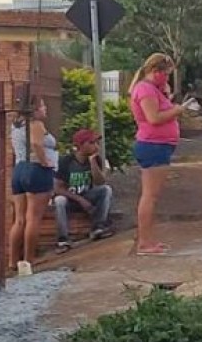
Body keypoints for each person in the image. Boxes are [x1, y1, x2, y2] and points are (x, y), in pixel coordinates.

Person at [128, 53, 184, 255]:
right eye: (166, 75)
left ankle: (149, 240)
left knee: (152, 196)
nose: (167, 79)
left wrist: (166, 95)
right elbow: (153, 117)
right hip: (153, 145)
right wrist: (178, 110)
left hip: (158, 145)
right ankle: (144, 243)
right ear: (156, 71)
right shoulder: (145, 89)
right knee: (149, 196)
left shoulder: (152, 90)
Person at [8, 95, 59, 266]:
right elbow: (37, 144)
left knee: (19, 218)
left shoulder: (16, 125)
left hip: (19, 169)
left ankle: (12, 261)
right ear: (34, 110)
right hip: (36, 170)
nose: (45, 109)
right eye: (42, 106)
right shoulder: (36, 124)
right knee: (33, 218)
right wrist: (45, 162)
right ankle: (29, 259)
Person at [53, 129, 115, 253]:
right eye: (92, 143)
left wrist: (93, 162)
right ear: (81, 146)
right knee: (59, 200)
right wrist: (80, 199)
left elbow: (100, 182)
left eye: (96, 143)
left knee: (106, 190)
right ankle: (63, 239)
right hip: (71, 199)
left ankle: (98, 227)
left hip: (87, 195)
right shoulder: (66, 161)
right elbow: (57, 188)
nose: (96, 146)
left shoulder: (96, 159)